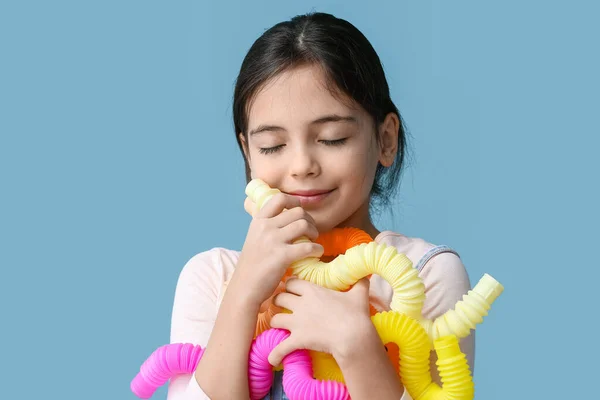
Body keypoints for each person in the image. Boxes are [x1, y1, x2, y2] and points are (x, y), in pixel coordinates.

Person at [167, 11, 473, 400]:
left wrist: (357, 346)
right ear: (247, 152)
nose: (301, 167)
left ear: (385, 139)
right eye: (272, 146)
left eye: (331, 138)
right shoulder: (213, 278)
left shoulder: (424, 273)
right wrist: (242, 294)